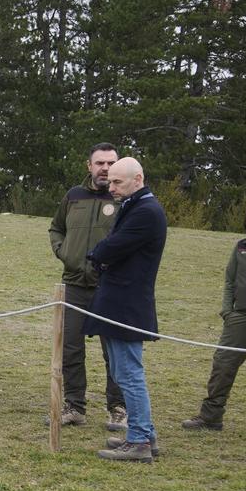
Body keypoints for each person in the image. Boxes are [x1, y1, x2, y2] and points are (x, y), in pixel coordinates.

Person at [87, 157, 167, 463]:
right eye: (111, 181)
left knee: (129, 373)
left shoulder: (146, 211)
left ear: (139, 178)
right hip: (120, 300)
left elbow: (113, 245)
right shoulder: (136, 205)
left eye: (118, 182)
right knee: (123, 371)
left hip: (127, 302)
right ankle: (145, 432)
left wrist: (98, 254)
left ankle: (139, 441)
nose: (112, 186)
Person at [49, 143, 127, 428]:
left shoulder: (124, 199)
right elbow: (56, 227)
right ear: (89, 165)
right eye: (100, 163)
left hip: (109, 287)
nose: (105, 169)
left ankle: (118, 408)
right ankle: (74, 406)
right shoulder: (73, 196)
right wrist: (64, 251)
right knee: (70, 348)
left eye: (111, 163)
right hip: (73, 285)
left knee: (114, 352)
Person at [182, 197, 246, 437]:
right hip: (239, 317)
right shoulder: (242, 246)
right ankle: (211, 416)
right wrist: (227, 311)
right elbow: (230, 280)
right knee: (223, 364)